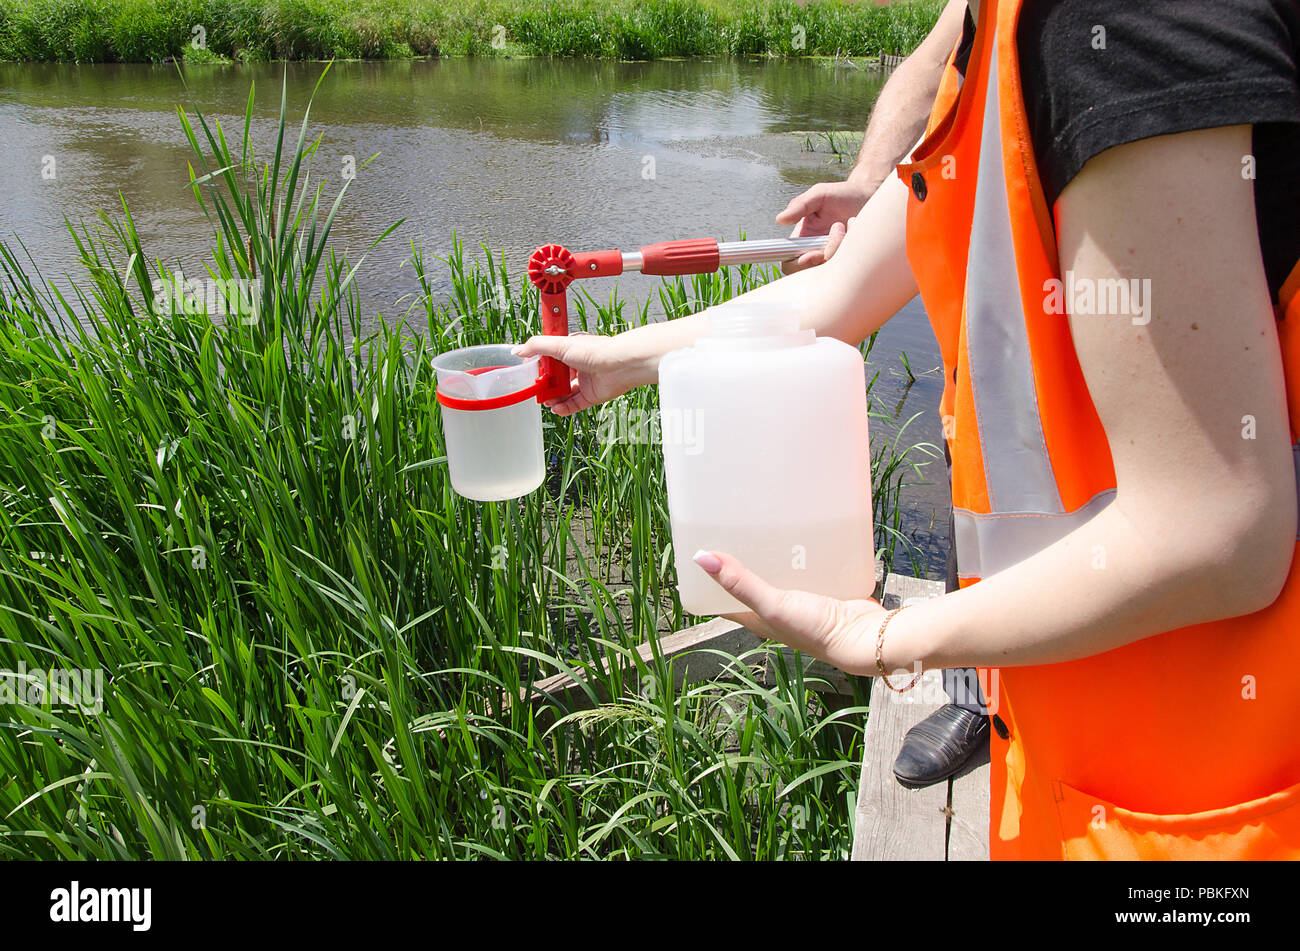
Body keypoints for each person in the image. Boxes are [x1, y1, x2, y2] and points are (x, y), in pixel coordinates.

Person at [518, 0, 1300, 859]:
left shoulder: (1124, 28)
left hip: (1216, 778)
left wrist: (889, 639)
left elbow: (1218, 528)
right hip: (1071, 723)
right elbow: (827, 298)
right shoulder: (1001, 34)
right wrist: (612, 361)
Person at [778, 0, 992, 792]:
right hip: (1005, 316)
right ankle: (976, 693)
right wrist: (871, 182)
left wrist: (876, 639)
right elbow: (947, 47)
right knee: (977, 458)